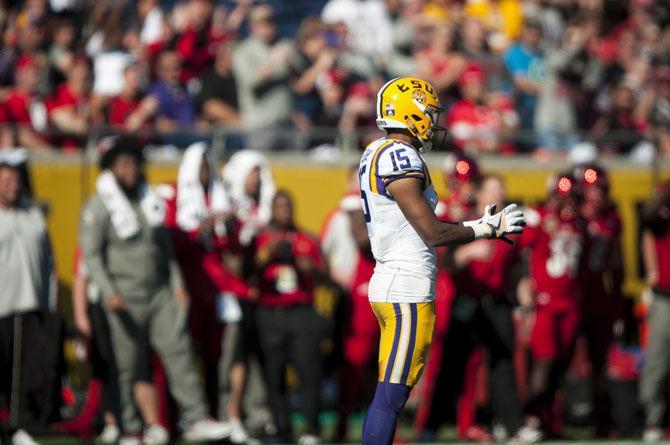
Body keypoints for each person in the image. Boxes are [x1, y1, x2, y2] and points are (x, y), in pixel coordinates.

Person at [359, 76, 525, 445]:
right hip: (406, 288)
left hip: (394, 280)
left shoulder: (377, 151)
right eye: (429, 113)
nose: (434, 121)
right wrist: (485, 228)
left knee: (391, 394)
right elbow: (432, 232)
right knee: (391, 397)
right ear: (411, 112)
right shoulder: (399, 155)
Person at [79, 136, 231, 443]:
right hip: (124, 295)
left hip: (160, 293)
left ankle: (196, 417)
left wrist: (176, 285)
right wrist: (108, 291)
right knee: (129, 365)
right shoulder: (98, 205)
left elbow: (165, 252)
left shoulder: (150, 202)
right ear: (111, 170)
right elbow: (92, 256)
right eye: (123, 164)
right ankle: (131, 427)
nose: (131, 170)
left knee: (180, 353)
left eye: (134, 163)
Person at [426, 175, 541, 443]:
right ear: (478, 195)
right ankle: (433, 424)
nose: (495, 196)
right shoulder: (465, 222)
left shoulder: (511, 226)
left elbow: (518, 268)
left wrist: (526, 299)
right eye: (490, 190)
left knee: (503, 364)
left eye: (499, 190)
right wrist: (468, 253)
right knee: (452, 366)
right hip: (467, 300)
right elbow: (447, 263)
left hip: (497, 302)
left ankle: (512, 425)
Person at [162, 142, 251, 444]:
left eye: (207, 166)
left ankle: (216, 417)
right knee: (181, 358)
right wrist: (202, 227)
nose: (204, 173)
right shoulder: (173, 196)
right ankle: (173, 421)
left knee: (218, 359)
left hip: (217, 291)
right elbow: (170, 241)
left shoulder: (221, 198)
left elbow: (233, 253)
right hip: (185, 288)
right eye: (199, 166)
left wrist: (226, 227)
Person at [253, 190, 326, 445]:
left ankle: (311, 429)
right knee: (273, 375)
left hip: (301, 313)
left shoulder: (306, 238)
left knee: (308, 372)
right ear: (271, 209)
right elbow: (248, 272)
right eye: (279, 207)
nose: (284, 212)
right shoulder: (260, 238)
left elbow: (325, 276)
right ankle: (282, 429)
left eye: (288, 206)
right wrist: (267, 254)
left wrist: (309, 267)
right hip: (270, 313)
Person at [518, 172, 587, 437]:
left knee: (560, 364)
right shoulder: (537, 216)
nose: (568, 202)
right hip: (545, 302)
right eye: (563, 196)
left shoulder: (581, 223)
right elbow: (519, 248)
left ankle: (550, 419)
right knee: (544, 361)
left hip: (569, 302)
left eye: (572, 196)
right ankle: (531, 417)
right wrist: (524, 284)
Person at [0, 151, 57, 445]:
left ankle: (17, 427)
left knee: (22, 374)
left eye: (15, 178)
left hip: (29, 304)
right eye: (5, 178)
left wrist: (50, 301)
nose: (11, 184)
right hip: (2, 304)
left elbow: (49, 262)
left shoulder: (32, 214)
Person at [574, 163, 624, 437]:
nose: (596, 195)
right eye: (591, 190)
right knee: (559, 358)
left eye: (600, 189)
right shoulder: (569, 217)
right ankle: (547, 416)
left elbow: (616, 264)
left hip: (597, 297)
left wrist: (617, 303)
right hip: (570, 295)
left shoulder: (611, 220)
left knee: (600, 362)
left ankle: (601, 420)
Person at [232, 4, 296, 151]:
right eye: (263, 23)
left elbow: (299, 83)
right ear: (252, 26)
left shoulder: (282, 45)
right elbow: (251, 82)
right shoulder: (244, 51)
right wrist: (274, 61)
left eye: (272, 21)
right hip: (260, 126)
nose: (269, 26)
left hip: (287, 123)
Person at [639, 181, 670, 443]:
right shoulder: (663, 204)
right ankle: (653, 419)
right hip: (665, 296)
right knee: (658, 361)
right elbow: (648, 219)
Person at [147, 51, 197, 132]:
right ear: (158, 70)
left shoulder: (183, 88)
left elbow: (191, 116)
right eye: (166, 68)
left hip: (194, 137)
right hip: (173, 142)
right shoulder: (156, 93)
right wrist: (193, 128)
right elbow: (162, 125)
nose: (172, 73)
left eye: (176, 68)